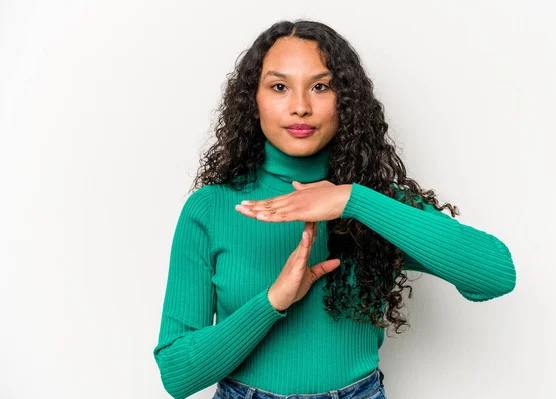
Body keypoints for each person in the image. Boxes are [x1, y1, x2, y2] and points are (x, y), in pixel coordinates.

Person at [152, 19, 516, 399]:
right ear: (252, 100)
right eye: (279, 87)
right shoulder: (211, 208)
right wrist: (274, 301)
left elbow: (495, 275)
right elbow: (177, 375)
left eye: (321, 86)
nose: (300, 107)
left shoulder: (374, 202)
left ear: (345, 101)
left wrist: (351, 200)